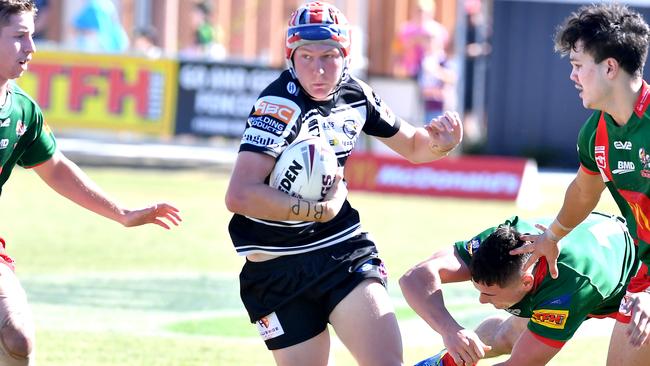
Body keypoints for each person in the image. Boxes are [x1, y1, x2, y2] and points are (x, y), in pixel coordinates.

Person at [224, 2, 462, 365]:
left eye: (329, 56)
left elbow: (414, 145)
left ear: (346, 55)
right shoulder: (279, 105)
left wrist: (440, 145)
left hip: (341, 250)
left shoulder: (356, 95)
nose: (318, 69)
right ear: (291, 57)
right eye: (306, 56)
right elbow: (240, 195)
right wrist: (317, 210)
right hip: (275, 266)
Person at [0, 1, 181, 364]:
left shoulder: (22, 109)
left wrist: (123, 213)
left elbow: (55, 167)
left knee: (17, 339)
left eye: (32, 37)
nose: (31, 48)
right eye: (19, 37)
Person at [508, 4, 650, 364]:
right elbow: (585, 191)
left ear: (610, 67)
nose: (572, 77)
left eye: (577, 65)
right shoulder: (595, 132)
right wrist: (551, 237)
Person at [400, 213, 639, 366]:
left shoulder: (568, 287)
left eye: (490, 294)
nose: (481, 301)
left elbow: (522, 364)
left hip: (636, 288)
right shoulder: (501, 239)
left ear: (526, 281)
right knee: (506, 336)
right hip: (592, 248)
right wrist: (450, 331)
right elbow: (414, 278)